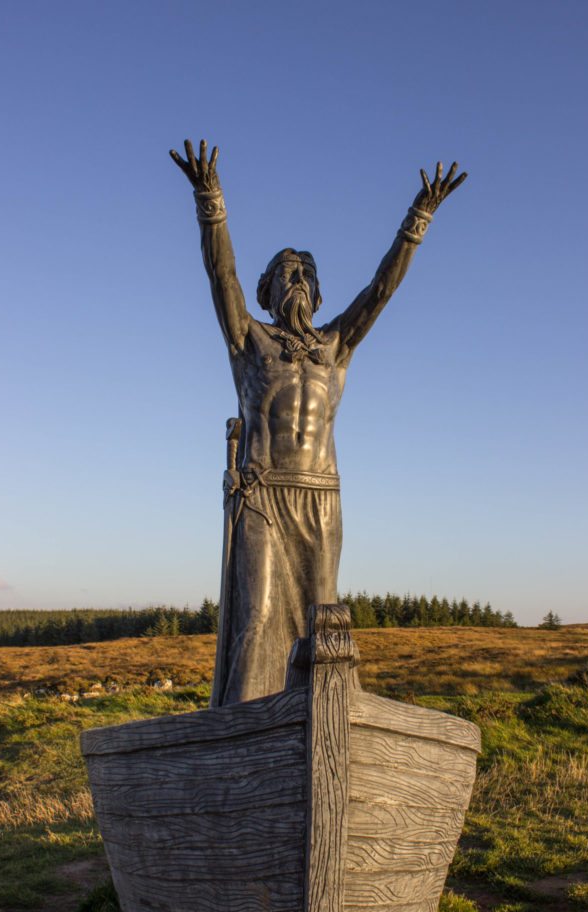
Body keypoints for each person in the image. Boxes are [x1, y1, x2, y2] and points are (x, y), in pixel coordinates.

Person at [170, 140, 466, 705]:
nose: (298, 278)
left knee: (322, 622)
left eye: (306, 271)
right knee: (255, 622)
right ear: (269, 290)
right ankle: (244, 736)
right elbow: (221, 275)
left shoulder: (336, 346)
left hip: (320, 498)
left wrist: (417, 220)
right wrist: (211, 201)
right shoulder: (249, 340)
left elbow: (382, 289)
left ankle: (322, 724)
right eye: (286, 272)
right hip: (264, 495)